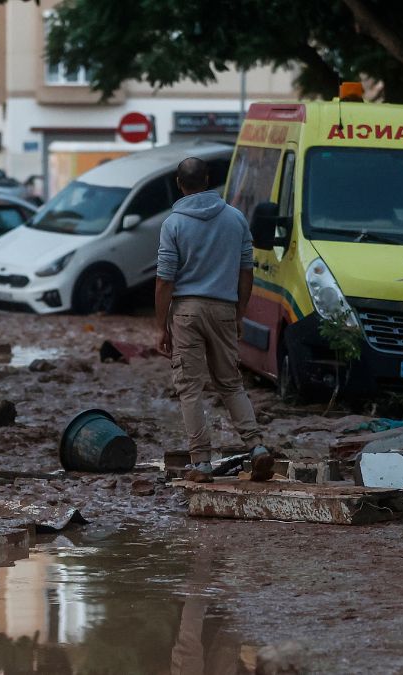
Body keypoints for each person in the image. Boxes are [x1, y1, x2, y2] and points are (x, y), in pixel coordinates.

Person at [155, 157, 273, 484]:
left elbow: (165, 279)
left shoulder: (173, 224)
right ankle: (257, 448)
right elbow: (246, 271)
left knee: (190, 388)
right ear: (207, 179)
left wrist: (160, 326)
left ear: (180, 184)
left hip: (187, 311)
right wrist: (239, 313)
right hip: (224, 308)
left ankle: (202, 463)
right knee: (231, 383)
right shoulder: (235, 219)